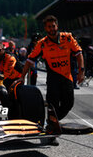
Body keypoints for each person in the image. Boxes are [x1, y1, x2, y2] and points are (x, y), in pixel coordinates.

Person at [21, 15, 84, 143]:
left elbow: (79, 54)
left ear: (57, 26)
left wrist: (81, 71)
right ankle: (52, 131)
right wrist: (22, 77)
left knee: (68, 104)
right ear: (45, 28)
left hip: (67, 77)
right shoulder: (42, 44)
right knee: (53, 106)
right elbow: (29, 60)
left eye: (53, 26)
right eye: (49, 27)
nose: (52, 29)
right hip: (53, 78)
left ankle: (49, 123)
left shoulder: (67, 37)